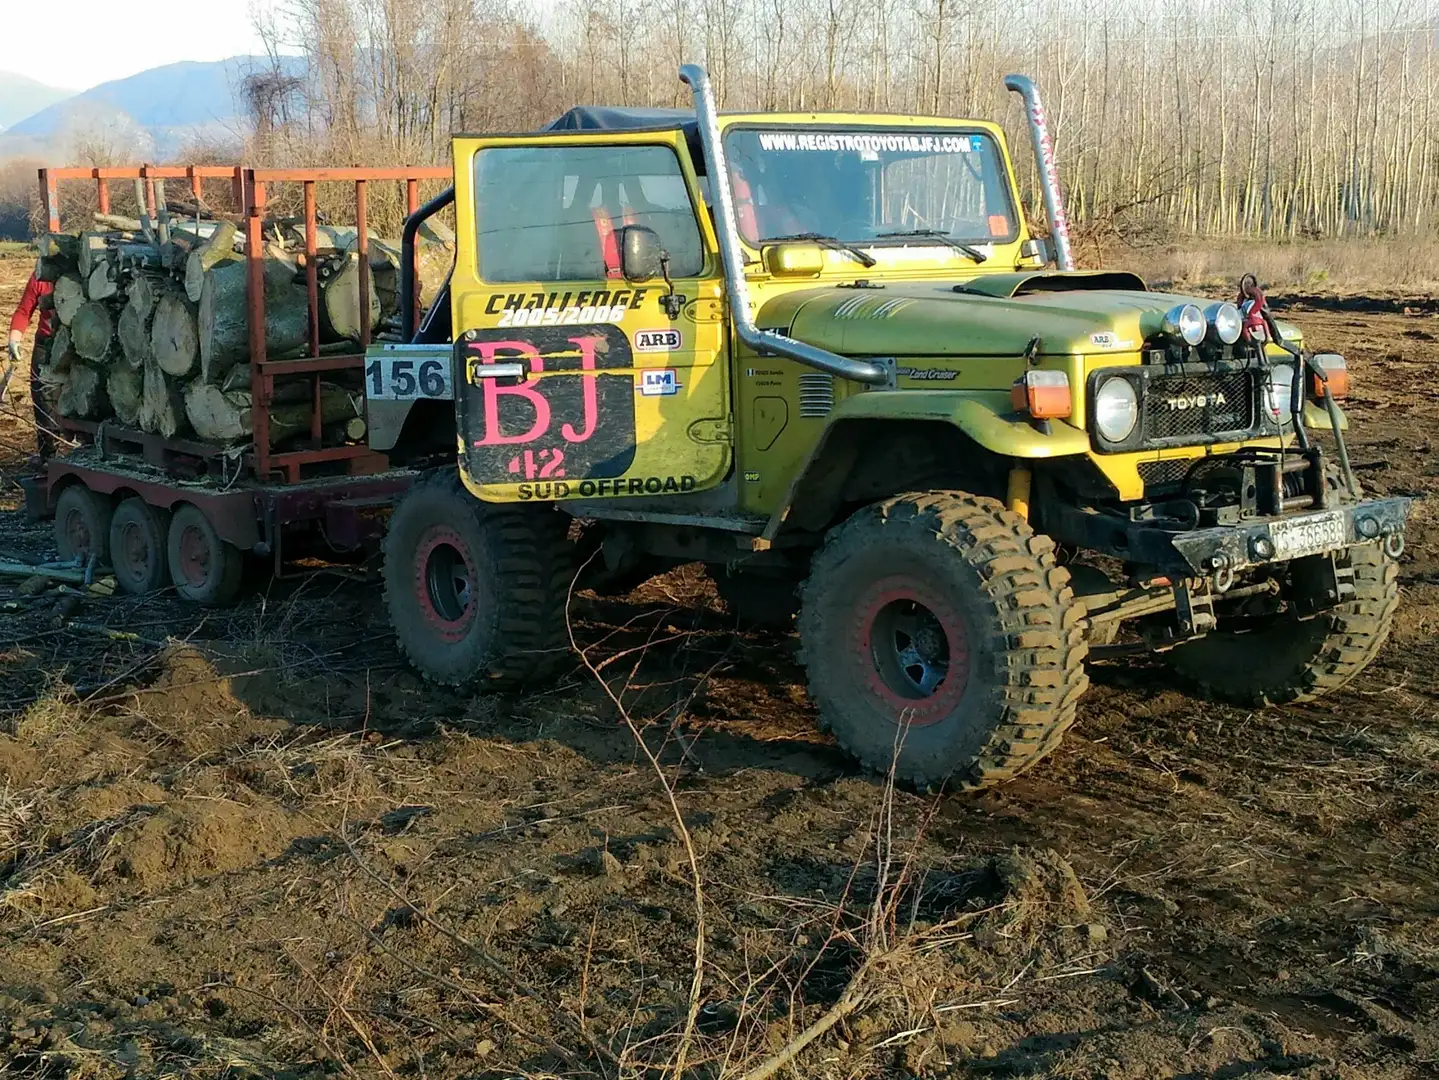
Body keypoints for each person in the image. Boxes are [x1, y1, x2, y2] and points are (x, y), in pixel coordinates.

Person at [6, 261, 57, 458]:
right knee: (42, 401)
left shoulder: (78, 275)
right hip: (45, 344)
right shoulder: (39, 276)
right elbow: (24, 311)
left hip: (76, 345)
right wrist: (14, 339)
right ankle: (48, 455)